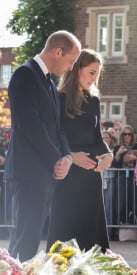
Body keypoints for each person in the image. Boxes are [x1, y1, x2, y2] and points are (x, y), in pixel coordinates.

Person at [5, 30, 81, 261]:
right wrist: (55, 159)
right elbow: (30, 124)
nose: (70, 68)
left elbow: (57, 128)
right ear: (57, 52)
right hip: (28, 171)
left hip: (44, 172)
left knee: (33, 234)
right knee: (25, 236)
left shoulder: (48, 83)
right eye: (70, 61)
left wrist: (66, 157)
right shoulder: (24, 74)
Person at [46, 49, 113, 253]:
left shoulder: (94, 101)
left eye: (97, 74)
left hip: (91, 175)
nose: (94, 79)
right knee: (65, 228)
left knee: (91, 230)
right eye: (91, 72)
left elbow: (97, 137)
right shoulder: (57, 98)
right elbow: (53, 134)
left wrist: (108, 154)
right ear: (77, 69)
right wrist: (71, 156)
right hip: (68, 173)